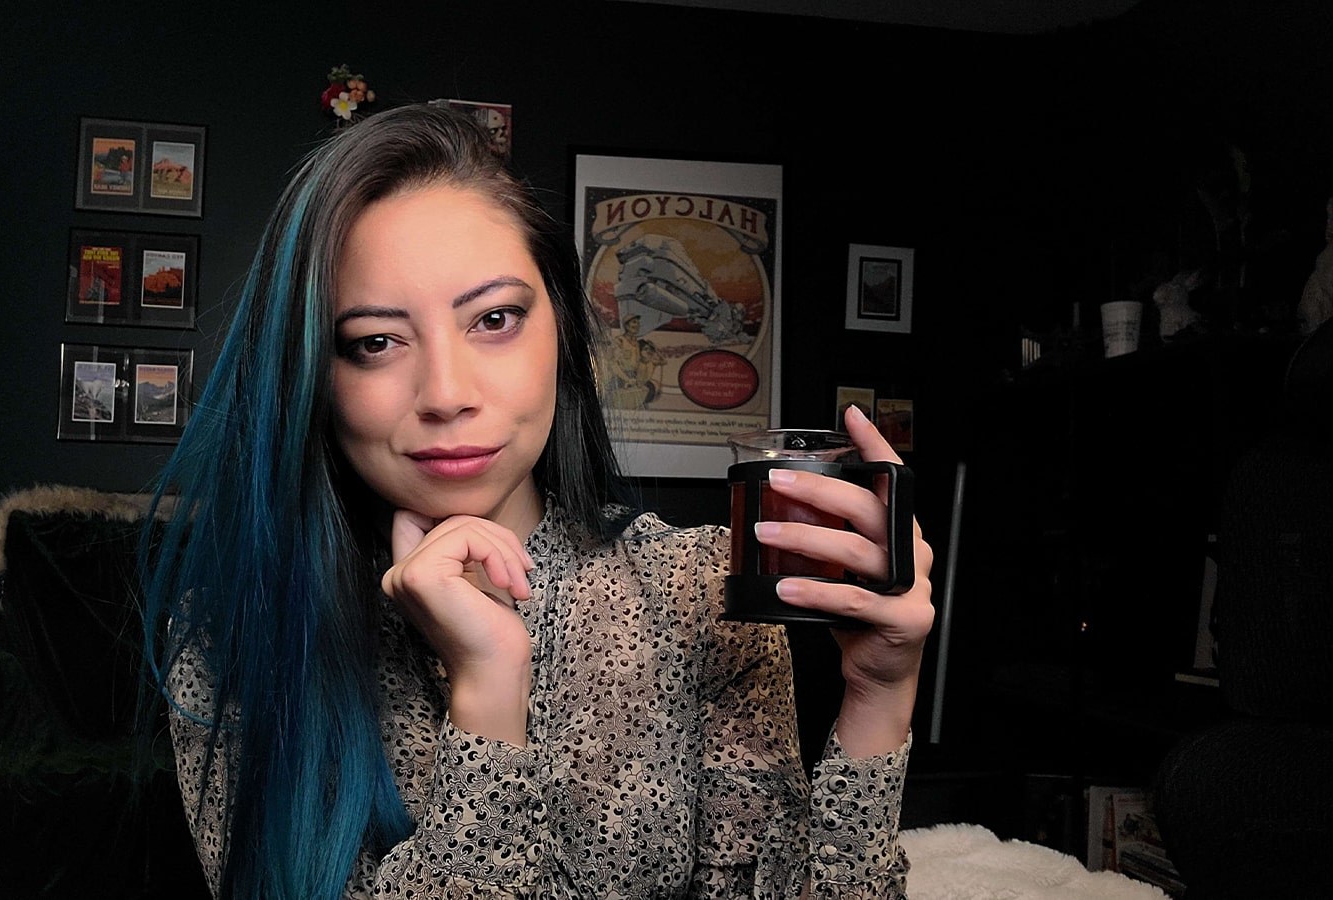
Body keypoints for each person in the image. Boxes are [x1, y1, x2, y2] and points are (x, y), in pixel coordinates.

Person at [142, 104, 935, 900]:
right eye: (376, 342)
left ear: (562, 331)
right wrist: (487, 694)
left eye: (494, 319)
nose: (447, 394)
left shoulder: (694, 591)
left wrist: (878, 697)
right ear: (318, 372)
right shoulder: (233, 628)